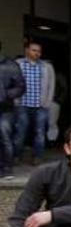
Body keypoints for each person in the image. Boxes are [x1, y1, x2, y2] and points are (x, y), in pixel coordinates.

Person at [13, 40, 55, 165]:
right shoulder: (17, 64)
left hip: (40, 105)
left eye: (39, 51)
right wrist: (15, 101)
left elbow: (51, 86)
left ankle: (38, 156)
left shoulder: (47, 66)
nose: (37, 53)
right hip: (22, 104)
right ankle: (16, 155)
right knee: (20, 131)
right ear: (27, 50)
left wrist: (48, 102)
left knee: (40, 132)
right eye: (34, 50)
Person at [0, 43, 25, 178]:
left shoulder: (11, 65)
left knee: (4, 137)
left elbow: (21, 87)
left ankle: (7, 169)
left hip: (5, 108)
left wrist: (5, 94)